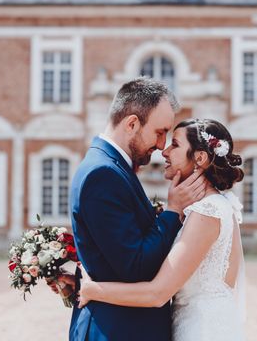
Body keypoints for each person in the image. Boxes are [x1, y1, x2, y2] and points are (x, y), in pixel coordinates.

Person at [78, 118, 246, 341]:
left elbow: (157, 293)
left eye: (175, 144)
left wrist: (91, 289)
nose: (164, 151)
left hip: (204, 330)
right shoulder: (205, 208)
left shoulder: (208, 212)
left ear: (200, 158)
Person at [67, 78, 208, 341]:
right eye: (159, 132)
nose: (161, 145)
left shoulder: (109, 166)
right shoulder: (103, 173)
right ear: (131, 124)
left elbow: (111, 251)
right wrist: (173, 210)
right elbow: (136, 267)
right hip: (120, 329)